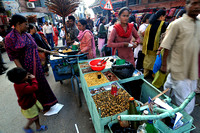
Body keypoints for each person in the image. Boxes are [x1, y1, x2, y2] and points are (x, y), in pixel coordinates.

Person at [5, 14, 58, 111]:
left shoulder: (27, 35)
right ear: (18, 24)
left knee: (41, 84)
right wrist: (23, 73)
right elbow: (14, 57)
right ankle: (37, 108)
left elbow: (35, 47)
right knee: (32, 88)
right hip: (26, 68)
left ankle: (46, 104)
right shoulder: (10, 38)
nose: (27, 26)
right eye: (25, 24)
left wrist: (49, 51)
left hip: (36, 66)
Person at [157, 0, 200, 114]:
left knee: (171, 89)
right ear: (187, 5)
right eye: (194, 3)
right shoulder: (177, 24)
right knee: (185, 102)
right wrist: (164, 64)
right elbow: (167, 45)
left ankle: (169, 113)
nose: (197, 7)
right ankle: (180, 123)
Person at [7, 67, 48, 133]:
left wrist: (26, 76)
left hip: (31, 101)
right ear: (20, 79)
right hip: (28, 105)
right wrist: (34, 79)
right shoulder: (22, 87)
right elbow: (34, 88)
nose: (27, 76)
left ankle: (38, 126)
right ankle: (26, 127)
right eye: (26, 75)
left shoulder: (17, 83)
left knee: (36, 115)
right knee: (33, 118)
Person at [142, 9, 167, 77]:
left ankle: (144, 76)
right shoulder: (164, 24)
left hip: (148, 48)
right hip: (157, 49)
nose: (164, 18)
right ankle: (154, 76)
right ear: (161, 16)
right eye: (164, 16)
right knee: (156, 64)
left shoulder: (150, 24)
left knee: (147, 63)